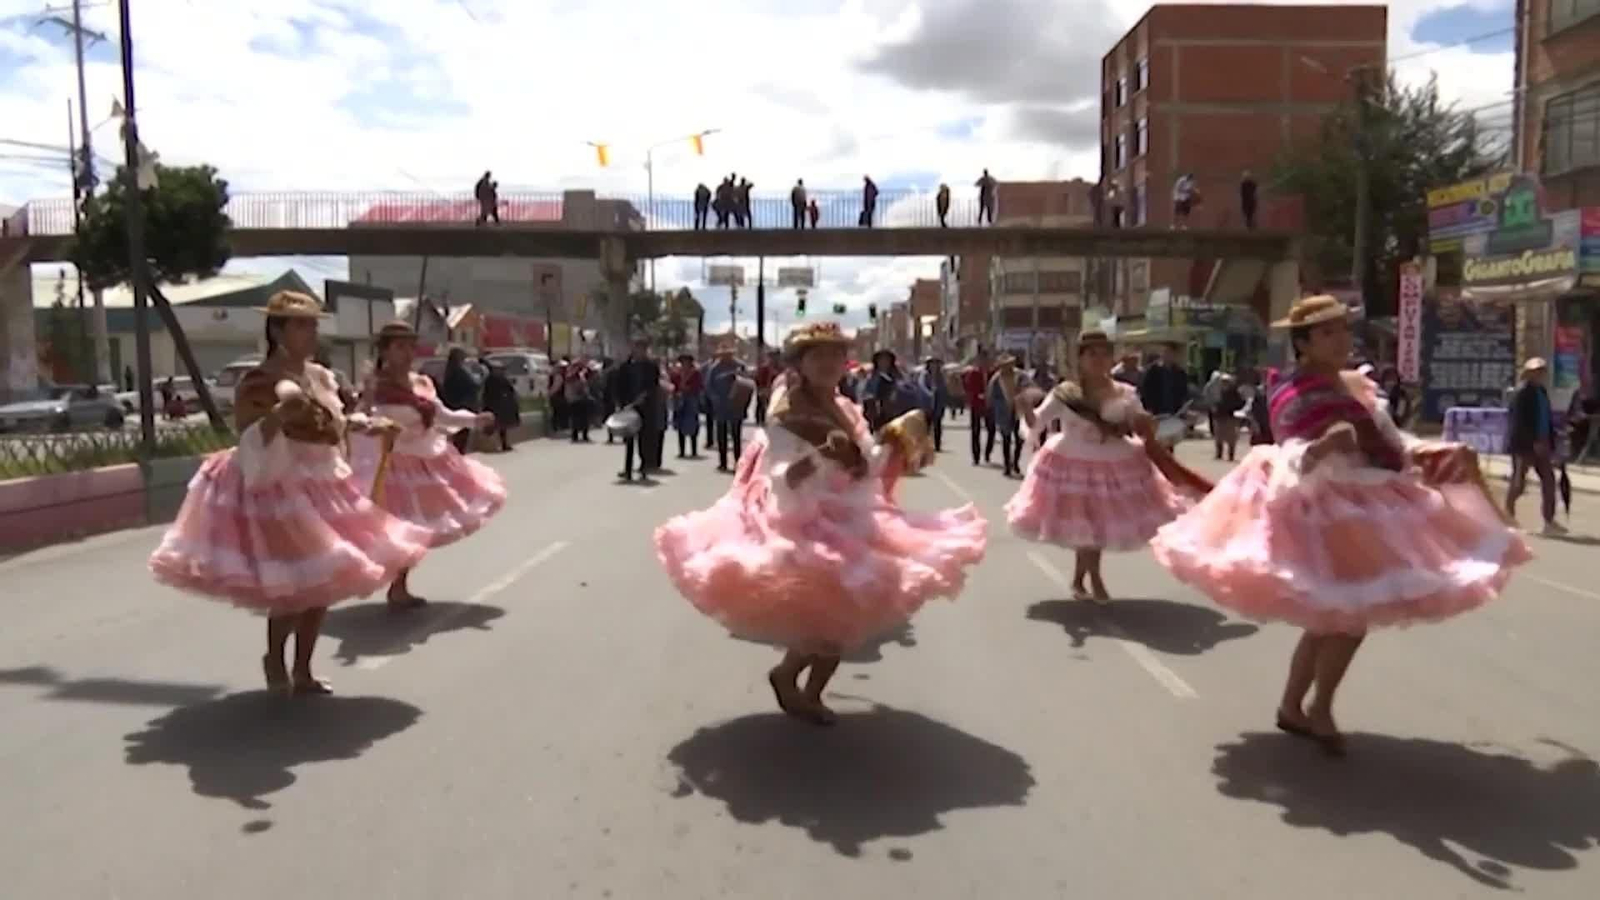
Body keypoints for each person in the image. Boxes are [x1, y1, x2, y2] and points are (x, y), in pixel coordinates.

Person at [1151, 295, 1532, 755]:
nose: (1339, 340)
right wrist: (1321, 449)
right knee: (1347, 617)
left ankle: (1297, 706)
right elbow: (1294, 453)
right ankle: (1318, 708)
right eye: (1327, 333)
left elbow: (1393, 443)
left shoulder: (1353, 388)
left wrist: (1435, 451)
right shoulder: (1298, 391)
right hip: (1326, 508)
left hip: (1368, 500)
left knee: (1334, 616)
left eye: (1342, 331)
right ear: (1304, 344)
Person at [653, 321, 987, 725]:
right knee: (827, 616)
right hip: (802, 518)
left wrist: (896, 442)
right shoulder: (787, 414)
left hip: (853, 513)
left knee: (846, 619)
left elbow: (865, 466)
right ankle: (789, 678)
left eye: (834, 355)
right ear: (801, 364)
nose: (829, 363)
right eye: (818, 356)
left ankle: (809, 693)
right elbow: (782, 477)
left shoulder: (846, 407)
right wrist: (819, 456)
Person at [148, 291, 430, 694]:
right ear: (277, 331)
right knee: (293, 581)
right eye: (301, 325)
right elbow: (249, 434)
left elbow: (331, 422)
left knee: (324, 575)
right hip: (280, 481)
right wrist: (280, 414)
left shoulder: (319, 377)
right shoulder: (259, 380)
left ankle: (304, 668)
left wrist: (365, 425)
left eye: (313, 324)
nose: (311, 332)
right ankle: (276, 657)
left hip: (323, 480)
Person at [1003, 331, 1209, 601]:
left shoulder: (1125, 392)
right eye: (1092, 354)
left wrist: (1143, 423)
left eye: (1104, 354)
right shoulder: (1065, 393)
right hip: (1070, 462)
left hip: (1114, 463)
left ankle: (1080, 580)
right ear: (1080, 358)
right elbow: (1036, 424)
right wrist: (1024, 407)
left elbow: (1142, 422)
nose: (1099, 360)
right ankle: (1094, 579)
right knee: (1086, 525)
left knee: (1094, 525)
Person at [351, 321, 505, 610]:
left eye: (410, 346)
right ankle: (389, 581)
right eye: (399, 346)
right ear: (384, 350)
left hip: (423, 462)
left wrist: (475, 420)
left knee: (415, 527)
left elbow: (441, 416)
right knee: (394, 528)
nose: (407, 353)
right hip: (389, 466)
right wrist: (372, 419)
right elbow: (359, 421)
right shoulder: (375, 386)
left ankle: (399, 586)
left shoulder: (421, 383)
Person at [1506, 357, 1565, 535]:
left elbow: (1545, 419)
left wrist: (1550, 441)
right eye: (1537, 371)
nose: (1541, 375)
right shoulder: (1522, 393)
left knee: (1548, 481)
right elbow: (1519, 422)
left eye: (1542, 371)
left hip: (1543, 442)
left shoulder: (1542, 392)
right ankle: (1507, 517)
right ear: (1529, 373)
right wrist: (1533, 442)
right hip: (1525, 445)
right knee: (1519, 483)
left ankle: (1548, 521)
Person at [611, 337, 663, 482]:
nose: (639, 351)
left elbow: (652, 386)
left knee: (644, 438)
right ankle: (627, 469)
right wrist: (620, 403)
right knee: (628, 438)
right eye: (637, 348)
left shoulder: (651, 367)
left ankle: (643, 467)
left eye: (642, 348)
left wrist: (641, 398)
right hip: (628, 406)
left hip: (645, 406)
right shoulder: (625, 366)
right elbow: (618, 386)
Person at [703, 343, 746, 471]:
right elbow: (708, 385)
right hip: (721, 405)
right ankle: (723, 462)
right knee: (721, 435)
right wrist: (714, 398)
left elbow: (748, 381)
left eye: (728, 354)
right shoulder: (714, 368)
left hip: (736, 404)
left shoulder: (739, 365)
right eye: (723, 354)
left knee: (736, 435)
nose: (726, 357)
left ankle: (738, 461)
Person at [988, 354, 1025, 477]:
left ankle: (1015, 462)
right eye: (1004, 365)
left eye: (1009, 365)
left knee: (1020, 439)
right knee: (1006, 439)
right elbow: (991, 397)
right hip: (1004, 412)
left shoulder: (1021, 376)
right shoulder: (996, 380)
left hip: (1019, 411)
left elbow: (1029, 388)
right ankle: (1007, 466)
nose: (1007, 367)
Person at [441, 348, 480, 454]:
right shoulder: (460, 371)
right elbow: (473, 385)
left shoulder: (449, 371)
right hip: (463, 407)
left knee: (456, 438)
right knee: (461, 438)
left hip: (453, 406)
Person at [1139, 343, 1189, 417]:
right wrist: (1148, 408)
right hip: (1157, 411)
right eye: (1166, 352)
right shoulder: (1153, 370)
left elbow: (1184, 391)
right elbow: (1145, 390)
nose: (1168, 355)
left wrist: (1183, 406)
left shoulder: (1179, 372)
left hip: (1174, 411)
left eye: (1171, 353)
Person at [962, 349, 995, 465]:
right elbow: (968, 387)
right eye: (982, 360)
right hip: (976, 404)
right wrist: (976, 394)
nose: (984, 362)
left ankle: (987, 453)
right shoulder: (973, 373)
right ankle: (976, 456)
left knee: (991, 430)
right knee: (975, 431)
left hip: (989, 405)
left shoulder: (993, 373)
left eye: (986, 360)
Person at [480, 360, 520, 451]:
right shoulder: (497, 379)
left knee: (499, 426)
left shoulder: (490, 379)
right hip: (497, 404)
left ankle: (497, 445)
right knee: (498, 426)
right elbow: (511, 390)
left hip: (495, 404)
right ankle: (497, 445)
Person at [672, 354, 705, 458]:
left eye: (687, 361)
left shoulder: (695, 373)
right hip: (679, 400)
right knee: (680, 425)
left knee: (692, 425)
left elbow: (700, 386)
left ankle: (693, 450)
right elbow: (673, 385)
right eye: (683, 362)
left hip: (691, 400)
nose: (685, 364)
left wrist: (689, 388)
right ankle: (681, 451)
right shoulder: (677, 373)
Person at [917, 357, 950, 452]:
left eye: (936, 364)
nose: (934, 366)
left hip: (938, 403)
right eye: (932, 364)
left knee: (938, 424)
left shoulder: (940, 376)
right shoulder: (924, 375)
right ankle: (924, 445)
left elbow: (944, 387)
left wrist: (939, 390)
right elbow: (922, 385)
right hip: (926, 403)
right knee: (926, 425)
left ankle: (937, 444)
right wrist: (929, 392)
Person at [1212, 373, 1244, 461]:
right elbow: (1214, 402)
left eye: (1226, 382)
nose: (1224, 383)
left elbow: (1240, 404)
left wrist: (1233, 409)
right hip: (1219, 417)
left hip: (1230, 417)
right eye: (1223, 382)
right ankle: (1219, 454)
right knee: (1219, 436)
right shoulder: (1219, 392)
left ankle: (1231, 455)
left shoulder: (1234, 393)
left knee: (1231, 438)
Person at [565, 359, 593, 443]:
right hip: (579, 399)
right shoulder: (578, 375)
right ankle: (583, 436)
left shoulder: (570, 374)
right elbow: (582, 387)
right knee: (583, 418)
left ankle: (576, 436)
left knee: (576, 418)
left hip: (573, 399)